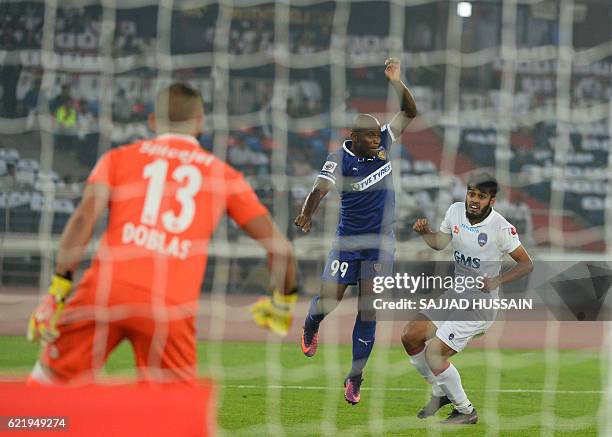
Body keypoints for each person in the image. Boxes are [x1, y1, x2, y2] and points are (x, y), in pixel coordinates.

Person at [27, 82, 298, 385]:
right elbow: (281, 249)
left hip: (105, 292)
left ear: (153, 121)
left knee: (46, 389)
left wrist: (57, 291)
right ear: (200, 123)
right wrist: (283, 303)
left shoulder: (119, 158)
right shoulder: (223, 175)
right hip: (169, 307)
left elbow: (82, 221)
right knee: (175, 417)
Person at [293, 58, 417, 404]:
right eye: (371, 136)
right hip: (348, 242)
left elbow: (410, 110)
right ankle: (311, 323)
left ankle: (355, 376)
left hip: (380, 243)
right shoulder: (338, 158)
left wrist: (396, 81)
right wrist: (306, 214)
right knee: (331, 300)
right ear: (354, 137)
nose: (379, 140)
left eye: (380, 134)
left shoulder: (384, 145)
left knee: (369, 308)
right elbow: (320, 188)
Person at [401, 173, 533, 424]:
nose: (474, 200)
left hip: (480, 303)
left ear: (491, 201)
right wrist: (425, 232)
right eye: (471, 194)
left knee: (435, 354)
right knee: (411, 336)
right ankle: (442, 392)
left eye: (481, 196)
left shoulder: (501, 228)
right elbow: (439, 244)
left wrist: (497, 281)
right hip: (456, 293)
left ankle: (465, 410)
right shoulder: (454, 211)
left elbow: (526, 264)